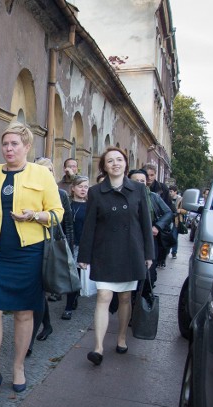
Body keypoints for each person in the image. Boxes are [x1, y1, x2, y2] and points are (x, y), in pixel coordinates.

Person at [0, 122, 63, 399]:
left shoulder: (42, 174)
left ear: (27, 147)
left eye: (14, 144)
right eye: (5, 144)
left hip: (29, 253)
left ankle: (18, 367)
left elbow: (57, 213)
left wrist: (34, 215)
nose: (8, 149)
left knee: (24, 312)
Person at [78, 147, 153, 366]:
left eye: (119, 160)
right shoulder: (95, 192)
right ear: (104, 166)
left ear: (125, 164)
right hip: (105, 251)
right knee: (103, 296)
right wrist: (85, 254)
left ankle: (121, 337)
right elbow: (89, 226)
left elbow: (145, 224)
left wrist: (149, 253)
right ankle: (98, 347)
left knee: (125, 298)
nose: (115, 164)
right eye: (110, 161)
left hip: (131, 250)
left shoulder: (139, 189)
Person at [27, 157, 74, 356]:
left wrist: (68, 252)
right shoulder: (27, 192)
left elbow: (68, 225)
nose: (45, 173)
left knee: (39, 293)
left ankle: (28, 341)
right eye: (40, 169)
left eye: (49, 170)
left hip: (51, 249)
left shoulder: (61, 193)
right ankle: (46, 325)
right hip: (31, 248)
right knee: (36, 293)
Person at [128, 169, 173, 305]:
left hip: (149, 240)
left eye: (143, 180)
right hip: (129, 240)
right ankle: (131, 305)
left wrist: (157, 226)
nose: (140, 183)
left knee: (149, 274)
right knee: (131, 275)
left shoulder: (153, 197)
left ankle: (142, 304)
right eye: (137, 181)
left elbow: (168, 212)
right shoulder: (123, 197)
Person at [65, 175, 90, 319]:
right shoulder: (67, 205)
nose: (83, 189)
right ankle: (70, 303)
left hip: (83, 245)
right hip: (69, 245)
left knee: (77, 276)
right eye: (80, 186)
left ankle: (72, 301)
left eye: (86, 187)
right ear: (73, 188)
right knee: (71, 276)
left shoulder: (90, 206)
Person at [143, 163, 172, 269]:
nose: (149, 178)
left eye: (152, 175)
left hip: (158, 226)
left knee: (158, 251)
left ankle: (161, 259)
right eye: (147, 175)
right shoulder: (139, 188)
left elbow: (169, 209)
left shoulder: (162, 188)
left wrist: (159, 225)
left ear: (155, 175)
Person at [169, 185, 185, 259]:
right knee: (167, 236)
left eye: (171, 191)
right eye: (169, 191)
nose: (170, 193)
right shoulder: (167, 198)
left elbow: (185, 210)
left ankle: (174, 252)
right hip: (168, 220)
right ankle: (166, 251)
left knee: (174, 237)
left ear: (175, 192)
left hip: (176, 221)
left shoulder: (180, 200)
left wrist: (179, 210)